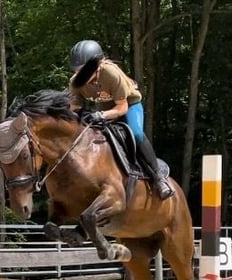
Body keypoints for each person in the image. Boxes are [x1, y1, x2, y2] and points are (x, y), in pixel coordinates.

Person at [67, 40, 174, 200]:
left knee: (136, 133)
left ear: (98, 65)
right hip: (103, 108)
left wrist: (102, 115)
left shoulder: (111, 74)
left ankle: (159, 177)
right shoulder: (76, 82)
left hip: (129, 105)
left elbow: (121, 108)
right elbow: (73, 107)